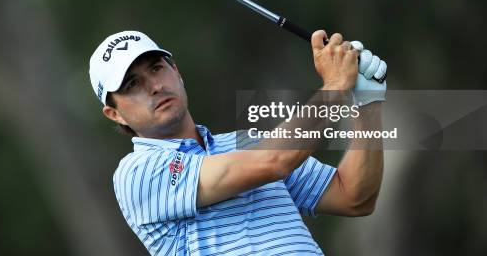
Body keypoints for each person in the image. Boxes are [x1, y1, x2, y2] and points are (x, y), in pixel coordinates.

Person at [89, 29, 387, 255]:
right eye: (132, 84)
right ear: (115, 113)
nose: (154, 86)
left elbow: (354, 196)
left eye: (156, 68)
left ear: (176, 71)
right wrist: (335, 86)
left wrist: (367, 102)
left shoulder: (247, 144)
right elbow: (275, 161)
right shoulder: (137, 174)